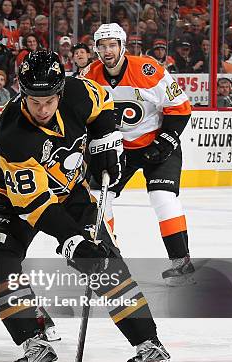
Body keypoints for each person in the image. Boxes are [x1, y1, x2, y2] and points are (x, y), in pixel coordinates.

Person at [0, 50, 177, 362]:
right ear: (22, 93)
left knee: (105, 262)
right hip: (14, 201)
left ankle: (148, 345)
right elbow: (35, 206)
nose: (42, 109)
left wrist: (106, 146)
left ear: (60, 92)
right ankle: (34, 344)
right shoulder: (11, 135)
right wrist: (72, 241)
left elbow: (104, 107)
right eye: (34, 100)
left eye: (49, 100)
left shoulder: (79, 92)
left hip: (70, 192)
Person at [83, 23, 193, 285]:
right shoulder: (89, 75)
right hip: (117, 148)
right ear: (96, 49)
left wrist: (165, 142)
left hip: (156, 143)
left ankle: (181, 261)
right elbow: (82, 115)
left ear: (122, 46)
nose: (107, 51)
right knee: (98, 198)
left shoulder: (148, 70)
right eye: (102, 46)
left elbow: (180, 108)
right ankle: (109, 259)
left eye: (112, 45)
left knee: (162, 197)